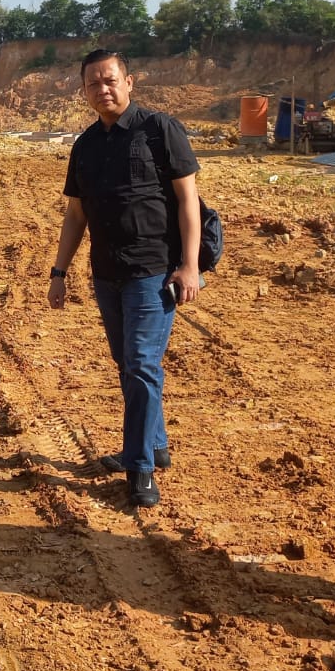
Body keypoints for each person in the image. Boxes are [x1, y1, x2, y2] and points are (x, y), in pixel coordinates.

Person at [47, 50, 202, 510]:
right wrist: (59, 271)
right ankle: (154, 445)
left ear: (130, 82)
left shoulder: (160, 130)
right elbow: (76, 215)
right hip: (106, 274)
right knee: (130, 364)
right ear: (84, 91)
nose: (103, 89)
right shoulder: (86, 145)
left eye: (110, 80)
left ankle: (141, 469)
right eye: (93, 83)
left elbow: (188, 201)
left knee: (139, 364)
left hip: (152, 272)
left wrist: (189, 265)